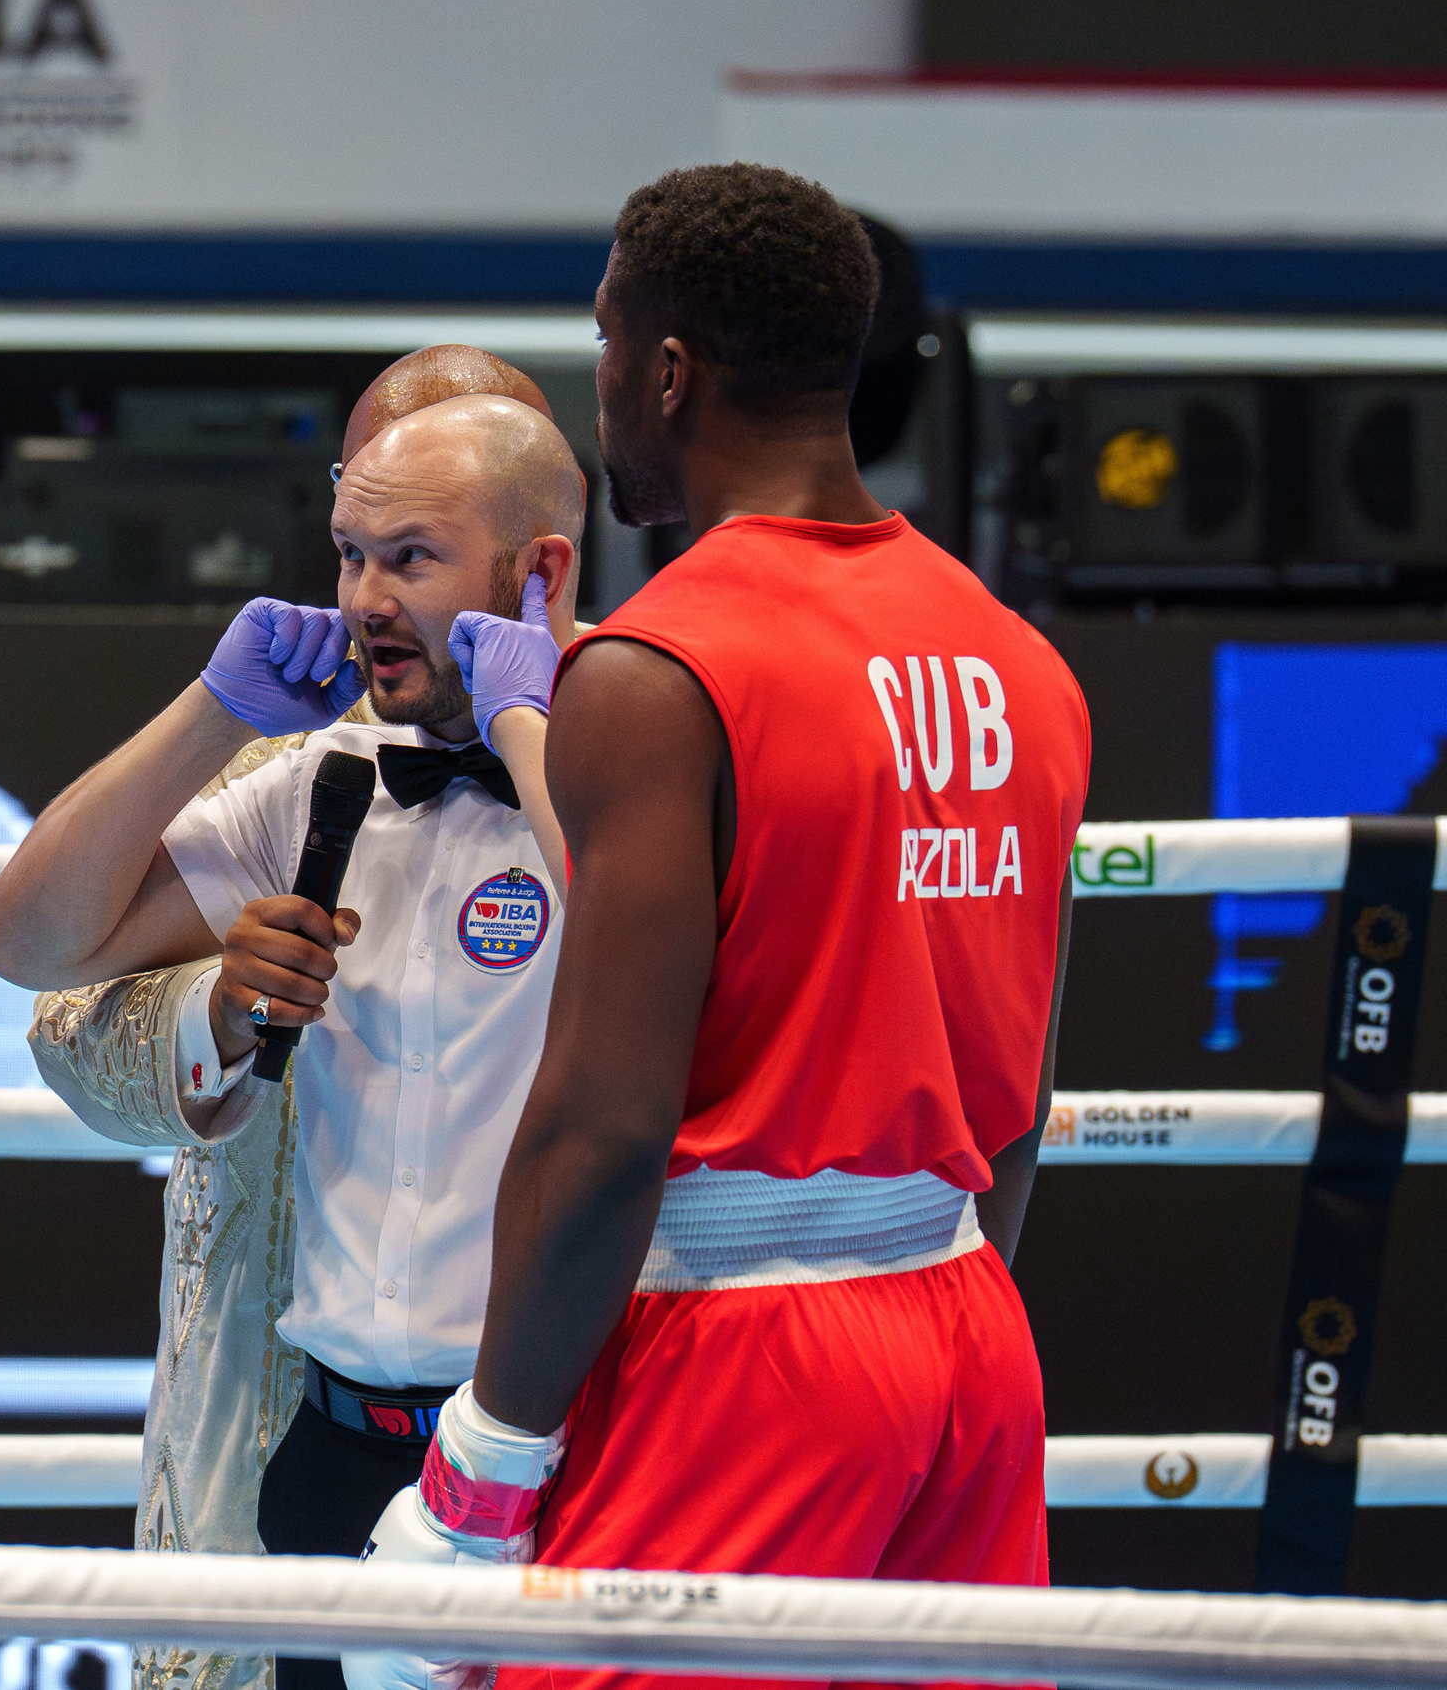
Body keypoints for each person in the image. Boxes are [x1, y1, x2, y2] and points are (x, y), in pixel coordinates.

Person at [345, 163, 1087, 1690]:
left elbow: (603, 1129)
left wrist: (480, 1478)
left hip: (745, 1361)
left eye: (607, 341)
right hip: (967, 1330)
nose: (602, 383)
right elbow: (1014, 1103)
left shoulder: (658, 672)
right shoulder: (1018, 663)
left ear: (668, 371)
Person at [0, 384, 585, 1690]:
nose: (366, 601)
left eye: (411, 557)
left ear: (539, 573)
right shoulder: (315, 781)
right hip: (329, 1453)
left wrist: (531, 727)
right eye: (351, 555)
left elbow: (689, 966)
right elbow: (22, 943)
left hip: (562, 1457)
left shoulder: (634, 768)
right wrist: (216, 708)